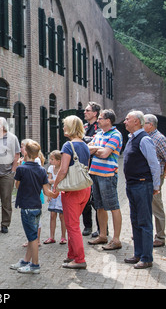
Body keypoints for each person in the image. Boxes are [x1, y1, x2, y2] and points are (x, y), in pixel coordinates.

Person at [10, 140, 57, 274]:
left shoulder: (21, 169)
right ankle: (26, 260)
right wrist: (55, 194)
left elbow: (17, 186)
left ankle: (35, 265)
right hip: (37, 206)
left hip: (27, 207)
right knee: (33, 235)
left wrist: (19, 168)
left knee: (32, 238)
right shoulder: (41, 169)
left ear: (26, 153)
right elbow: (47, 191)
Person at [123, 110, 160, 269]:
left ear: (136, 122)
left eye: (127, 119)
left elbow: (154, 164)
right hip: (132, 185)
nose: (124, 121)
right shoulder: (132, 138)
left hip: (142, 184)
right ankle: (138, 253)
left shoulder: (144, 139)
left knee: (144, 222)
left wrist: (155, 186)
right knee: (135, 220)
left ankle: (147, 258)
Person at [53, 115, 92, 270]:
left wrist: (55, 186)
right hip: (84, 188)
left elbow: (63, 170)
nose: (63, 128)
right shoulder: (85, 145)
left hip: (72, 190)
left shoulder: (68, 145)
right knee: (73, 224)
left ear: (70, 128)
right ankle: (72, 255)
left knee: (73, 226)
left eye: (65, 125)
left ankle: (80, 259)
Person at [87, 109, 123, 250]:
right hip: (95, 173)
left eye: (101, 118)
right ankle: (103, 235)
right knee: (99, 206)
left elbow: (105, 154)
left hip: (107, 175)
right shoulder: (99, 134)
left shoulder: (115, 134)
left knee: (113, 206)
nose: (98, 120)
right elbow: (87, 149)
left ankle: (116, 239)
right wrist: (98, 149)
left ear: (108, 120)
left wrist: (96, 149)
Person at [143, 114, 166, 248]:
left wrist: (163, 174)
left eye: (143, 122)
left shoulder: (159, 138)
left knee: (156, 206)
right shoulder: (146, 137)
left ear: (150, 125)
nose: (140, 124)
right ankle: (147, 233)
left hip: (155, 178)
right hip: (145, 178)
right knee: (146, 206)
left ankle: (160, 237)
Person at [0, 117, 21, 233]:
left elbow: (17, 154)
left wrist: (13, 171)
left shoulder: (12, 138)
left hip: (6, 174)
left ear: (2, 126)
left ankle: (5, 224)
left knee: (6, 200)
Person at [18, 139, 44, 247]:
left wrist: (20, 166)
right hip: (30, 194)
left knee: (34, 220)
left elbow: (20, 182)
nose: (20, 149)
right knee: (33, 219)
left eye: (22, 147)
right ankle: (33, 240)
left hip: (33, 194)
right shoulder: (27, 161)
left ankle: (35, 240)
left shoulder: (35, 161)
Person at [82, 102, 102, 237]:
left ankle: (101, 228)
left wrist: (83, 139)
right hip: (84, 166)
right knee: (85, 199)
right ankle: (87, 226)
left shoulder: (99, 127)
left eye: (87, 110)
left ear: (95, 113)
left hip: (96, 167)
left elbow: (95, 142)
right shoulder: (84, 127)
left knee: (97, 200)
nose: (85, 112)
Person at [44, 150, 67, 245]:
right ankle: (52, 237)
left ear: (58, 161)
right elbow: (48, 180)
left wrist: (52, 181)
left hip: (61, 194)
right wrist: (49, 193)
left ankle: (63, 237)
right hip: (53, 194)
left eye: (52, 159)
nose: (50, 161)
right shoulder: (50, 168)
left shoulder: (63, 169)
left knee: (62, 216)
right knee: (52, 215)